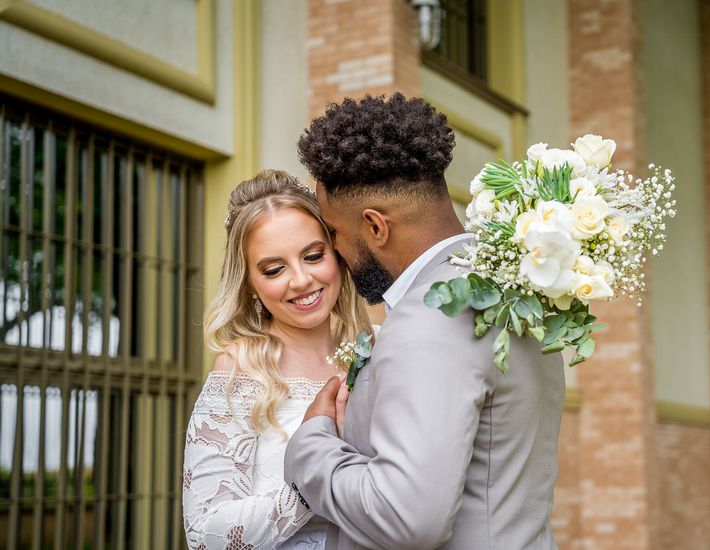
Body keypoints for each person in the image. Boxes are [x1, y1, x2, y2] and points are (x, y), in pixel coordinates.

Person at [284, 93, 566, 550]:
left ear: (376, 227)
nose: (334, 249)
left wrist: (311, 446)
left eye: (334, 232)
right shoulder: (511, 284)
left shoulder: (433, 314)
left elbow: (405, 518)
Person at [182, 170, 372, 549]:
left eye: (313, 255)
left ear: (336, 253)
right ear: (251, 283)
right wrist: (312, 486)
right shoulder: (239, 369)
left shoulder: (381, 349)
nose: (301, 279)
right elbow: (205, 536)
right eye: (274, 269)